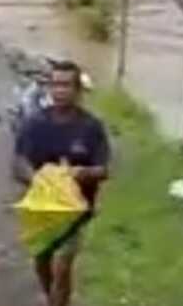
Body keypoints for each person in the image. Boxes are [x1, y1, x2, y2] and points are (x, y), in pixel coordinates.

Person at [14, 61, 111, 306]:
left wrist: (78, 174)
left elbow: (103, 170)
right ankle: (56, 300)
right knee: (42, 264)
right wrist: (38, 178)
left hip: (75, 211)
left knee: (61, 265)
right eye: (55, 85)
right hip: (43, 210)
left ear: (78, 91)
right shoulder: (35, 123)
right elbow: (18, 162)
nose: (59, 91)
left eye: (66, 85)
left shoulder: (91, 127)